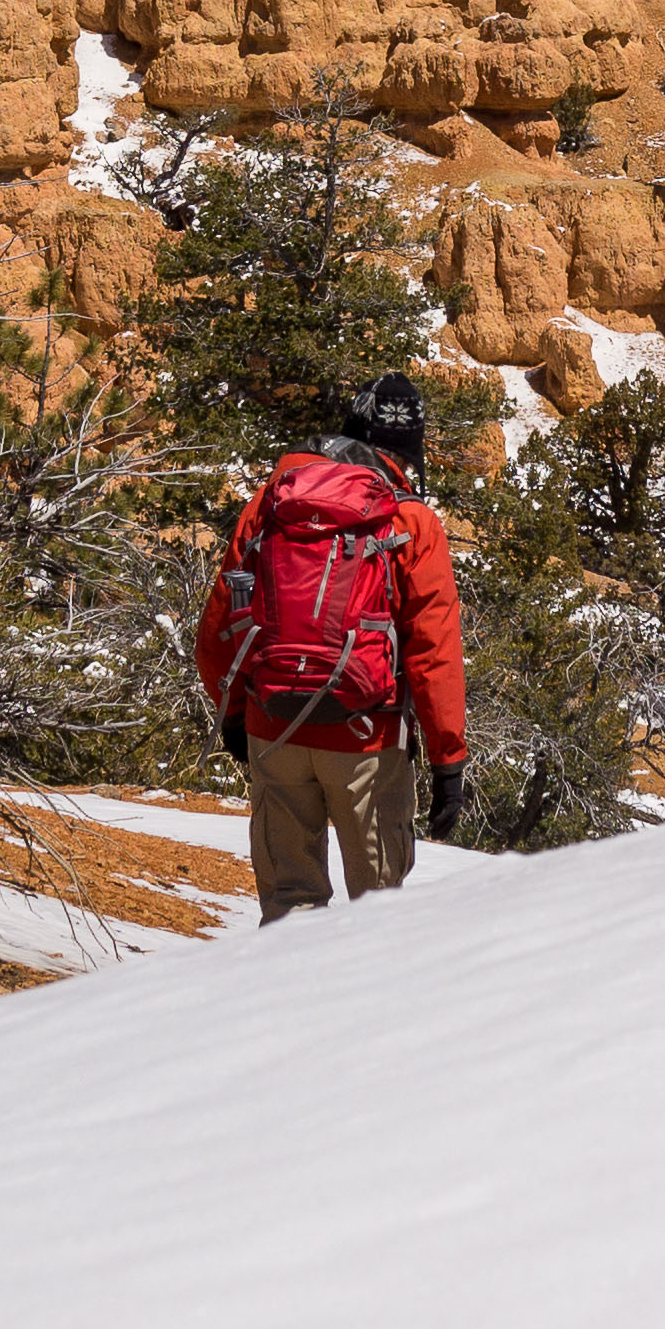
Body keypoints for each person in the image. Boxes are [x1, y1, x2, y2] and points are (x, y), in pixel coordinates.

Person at [191, 370, 469, 922]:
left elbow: (221, 619)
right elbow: (433, 649)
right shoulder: (411, 520)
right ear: (406, 451)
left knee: (289, 910)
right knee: (375, 917)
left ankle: (286, 1007)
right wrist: (447, 760)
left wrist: (238, 716)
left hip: (276, 730)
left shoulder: (271, 502)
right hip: (368, 739)